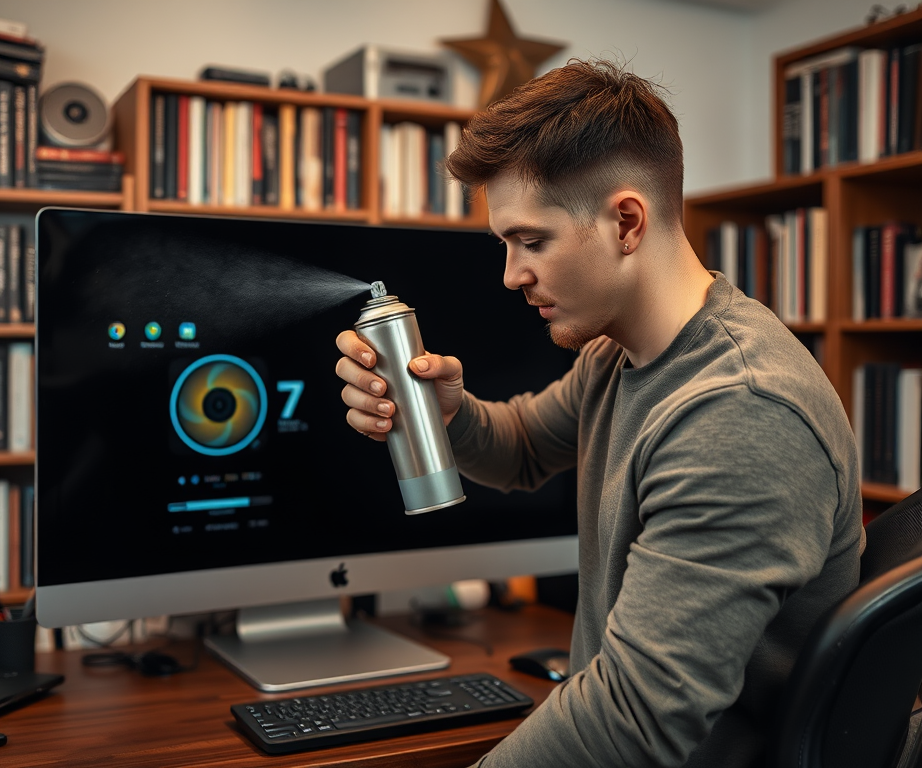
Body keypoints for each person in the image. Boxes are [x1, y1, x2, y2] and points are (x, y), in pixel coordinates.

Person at [335, 59, 863, 768]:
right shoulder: (619, 356)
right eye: (505, 245)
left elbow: (637, 718)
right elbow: (522, 447)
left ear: (625, 221)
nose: (511, 275)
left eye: (532, 241)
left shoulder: (741, 410)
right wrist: (448, 415)